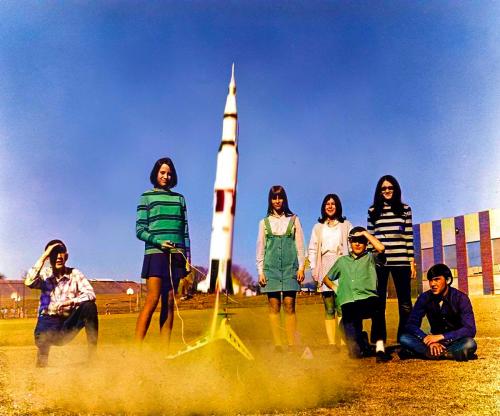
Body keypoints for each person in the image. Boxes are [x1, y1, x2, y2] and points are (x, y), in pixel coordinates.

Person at [135, 157, 190, 347]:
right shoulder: (146, 197)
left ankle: (163, 352)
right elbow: (139, 230)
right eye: (162, 173)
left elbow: (185, 231)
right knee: (153, 298)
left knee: (169, 301)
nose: (166, 176)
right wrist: (159, 242)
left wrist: (187, 257)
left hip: (177, 255)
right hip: (155, 254)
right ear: (155, 174)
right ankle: (136, 350)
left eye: (169, 173)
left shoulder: (179, 199)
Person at [24, 239, 98, 367]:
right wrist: (44, 256)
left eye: (61, 252)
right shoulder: (45, 275)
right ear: (48, 257)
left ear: (66, 256)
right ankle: (41, 365)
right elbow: (29, 281)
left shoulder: (74, 274)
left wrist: (72, 302)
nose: (58, 256)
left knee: (89, 306)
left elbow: (91, 294)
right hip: (47, 324)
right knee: (42, 337)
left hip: (67, 324)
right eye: (54, 253)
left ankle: (92, 358)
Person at [323, 227, 390, 362]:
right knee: (355, 353)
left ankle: (380, 348)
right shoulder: (342, 261)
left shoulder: (371, 258)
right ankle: (362, 342)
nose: (357, 244)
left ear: (366, 243)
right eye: (354, 241)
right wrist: (337, 289)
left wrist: (365, 233)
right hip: (349, 302)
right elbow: (326, 278)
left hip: (368, 299)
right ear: (350, 243)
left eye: (361, 241)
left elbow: (381, 248)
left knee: (378, 310)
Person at [256, 185, 305, 351]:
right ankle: (278, 344)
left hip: (290, 267)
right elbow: (260, 247)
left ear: (284, 199)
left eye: (280, 197)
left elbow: (300, 246)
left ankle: (292, 344)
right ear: (270, 200)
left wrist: (301, 268)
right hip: (271, 269)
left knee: (290, 304)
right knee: (274, 306)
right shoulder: (264, 222)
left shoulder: (294, 220)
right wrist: (260, 271)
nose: (277, 201)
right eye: (274, 198)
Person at [367, 175, 415, 342]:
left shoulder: (406, 209)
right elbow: (370, 238)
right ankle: (379, 341)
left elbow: (409, 236)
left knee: (405, 303)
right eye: (383, 188)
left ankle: (405, 338)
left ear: (395, 189)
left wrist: (412, 261)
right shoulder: (372, 211)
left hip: (401, 261)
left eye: (390, 188)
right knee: (379, 302)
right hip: (380, 262)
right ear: (379, 191)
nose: (387, 191)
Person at [399, 263, 477, 361]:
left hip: (453, 340)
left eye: (437, 279)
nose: (432, 284)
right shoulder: (424, 297)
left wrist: (441, 337)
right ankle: (444, 353)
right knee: (404, 338)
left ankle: (427, 353)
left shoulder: (461, 298)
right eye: (430, 280)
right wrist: (427, 339)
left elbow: (470, 329)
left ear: (448, 280)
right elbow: (411, 324)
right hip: (431, 341)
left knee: (470, 343)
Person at [308, 194, 352, 351]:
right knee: (329, 308)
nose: (330, 206)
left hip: (342, 267)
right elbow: (312, 249)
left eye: (333, 203)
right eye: (327, 203)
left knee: (342, 306)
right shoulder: (318, 227)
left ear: (338, 206)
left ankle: (343, 340)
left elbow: (353, 244)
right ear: (323, 207)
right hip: (325, 267)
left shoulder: (346, 225)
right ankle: (332, 344)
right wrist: (314, 270)